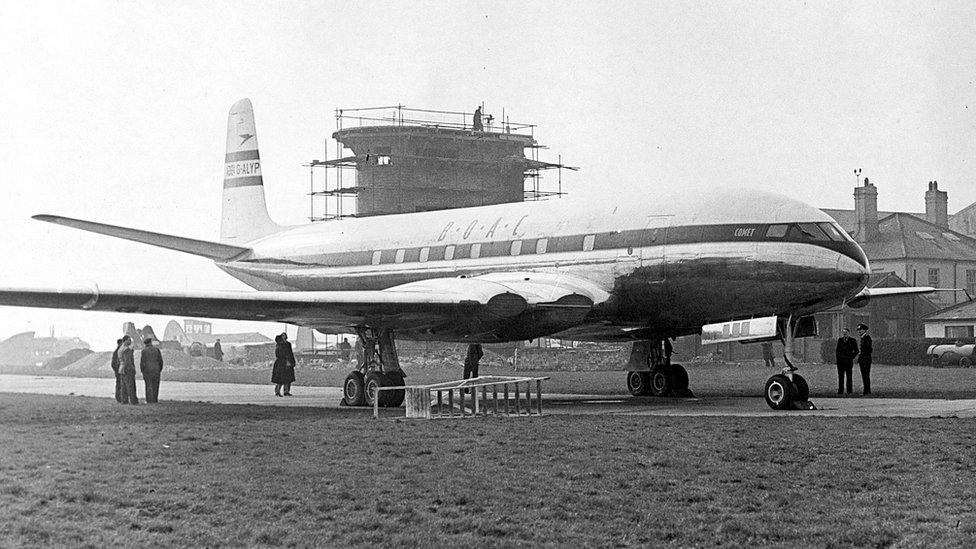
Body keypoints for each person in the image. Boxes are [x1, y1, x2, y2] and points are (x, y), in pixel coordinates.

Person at [139, 338, 164, 403]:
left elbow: (142, 363)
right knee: (155, 385)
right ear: (151, 342)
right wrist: (159, 369)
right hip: (156, 370)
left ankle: (149, 400)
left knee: (148, 386)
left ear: (145, 344)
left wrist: (143, 371)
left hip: (147, 371)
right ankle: (155, 399)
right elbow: (160, 361)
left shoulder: (144, 351)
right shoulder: (157, 350)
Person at [835, 328, 858, 395]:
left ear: (849, 333)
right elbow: (837, 351)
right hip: (841, 362)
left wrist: (851, 357)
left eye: (846, 332)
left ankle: (849, 391)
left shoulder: (852, 341)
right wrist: (838, 359)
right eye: (844, 332)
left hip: (848, 361)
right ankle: (840, 391)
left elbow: (856, 350)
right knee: (841, 377)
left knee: (849, 377)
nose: (845, 334)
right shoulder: (840, 340)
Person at [118, 336, 139, 405]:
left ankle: (124, 401)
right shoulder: (127, 350)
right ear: (125, 340)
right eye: (129, 340)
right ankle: (133, 401)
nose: (130, 341)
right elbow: (128, 361)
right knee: (131, 386)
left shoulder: (120, 349)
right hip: (127, 369)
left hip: (121, 369)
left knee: (123, 386)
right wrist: (132, 369)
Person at [856, 323, 873, 395]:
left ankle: (866, 391)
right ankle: (866, 391)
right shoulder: (863, 338)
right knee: (864, 375)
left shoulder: (867, 338)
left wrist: (863, 355)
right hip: (862, 359)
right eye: (858, 330)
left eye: (861, 330)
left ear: (864, 330)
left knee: (866, 375)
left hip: (866, 359)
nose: (859, 331)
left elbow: (869, 349)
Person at [111, 337, 124, 403]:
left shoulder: (116, 352)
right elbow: (113, 364)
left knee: (119, 384)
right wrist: (118, 370)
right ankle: (120, 398)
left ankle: (120, 398)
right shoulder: (118, 352)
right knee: (120, 384)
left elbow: (113, 364)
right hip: (120, 371)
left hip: (119, 371)